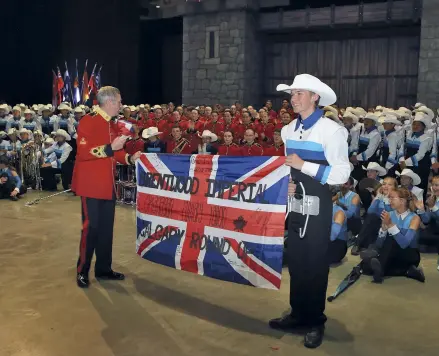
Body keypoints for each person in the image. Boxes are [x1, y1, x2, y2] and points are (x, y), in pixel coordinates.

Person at [270, 74, 350, 348]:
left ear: (315, 97)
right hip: (296, 201)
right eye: (292, 94)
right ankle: (298, 313)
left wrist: (305, 166)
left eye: (299, 93)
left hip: (319, 202)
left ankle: (315, 320)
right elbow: (288, 167)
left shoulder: (332, 131)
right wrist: (288, 183)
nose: (293, 98)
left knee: (315, 263)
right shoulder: (288, 130)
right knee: (296, 258)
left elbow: (341, 174)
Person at [72, 86, 142, 289]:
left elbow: (115, 153)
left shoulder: (111, 124)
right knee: (90, 229)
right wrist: (113, 147)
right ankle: (82, 270)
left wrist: (129, 158)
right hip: (91, 185)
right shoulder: (88, 121)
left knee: (105, 230)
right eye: (119, 101)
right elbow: (84, 152)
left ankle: (103, 269)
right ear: (110, 102)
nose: (121, 105)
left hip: (107, 185)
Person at [361, 187, 424, 283]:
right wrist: (383, 230)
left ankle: (379, 268)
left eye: (392, 198)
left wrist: (390, 225)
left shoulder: (414, 218)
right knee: (365, 266)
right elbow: (379, 243)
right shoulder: (389, 214)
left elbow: (404, 243)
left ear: (402, 201)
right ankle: (407, 271)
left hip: (409, 253)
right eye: (389, 198)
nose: (389, 201)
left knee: (391, 240)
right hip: (390, 253)